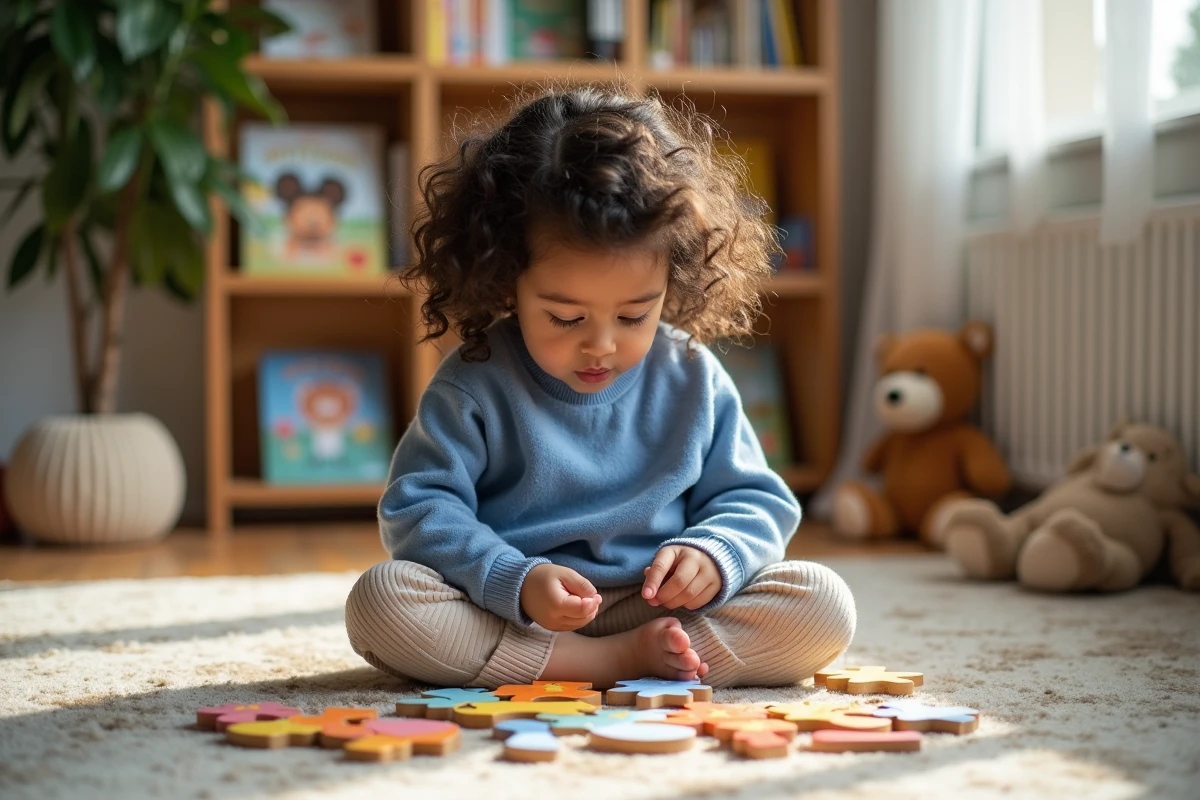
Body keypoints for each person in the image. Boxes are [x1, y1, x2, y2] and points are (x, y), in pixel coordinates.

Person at [345, 83, 855, 689]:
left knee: (823, 601)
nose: (602, 346)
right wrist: (512, 577)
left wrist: (713, 555)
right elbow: (419, 508)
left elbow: (757, 500)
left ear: (674, 278)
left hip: (659, 606)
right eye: (565, 317)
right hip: (520, 613)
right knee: (382, 601)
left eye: (635, 315)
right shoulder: (474, 382)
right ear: (507, 279)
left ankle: (654, 653)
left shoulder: (692, 374)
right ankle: (610, 665)